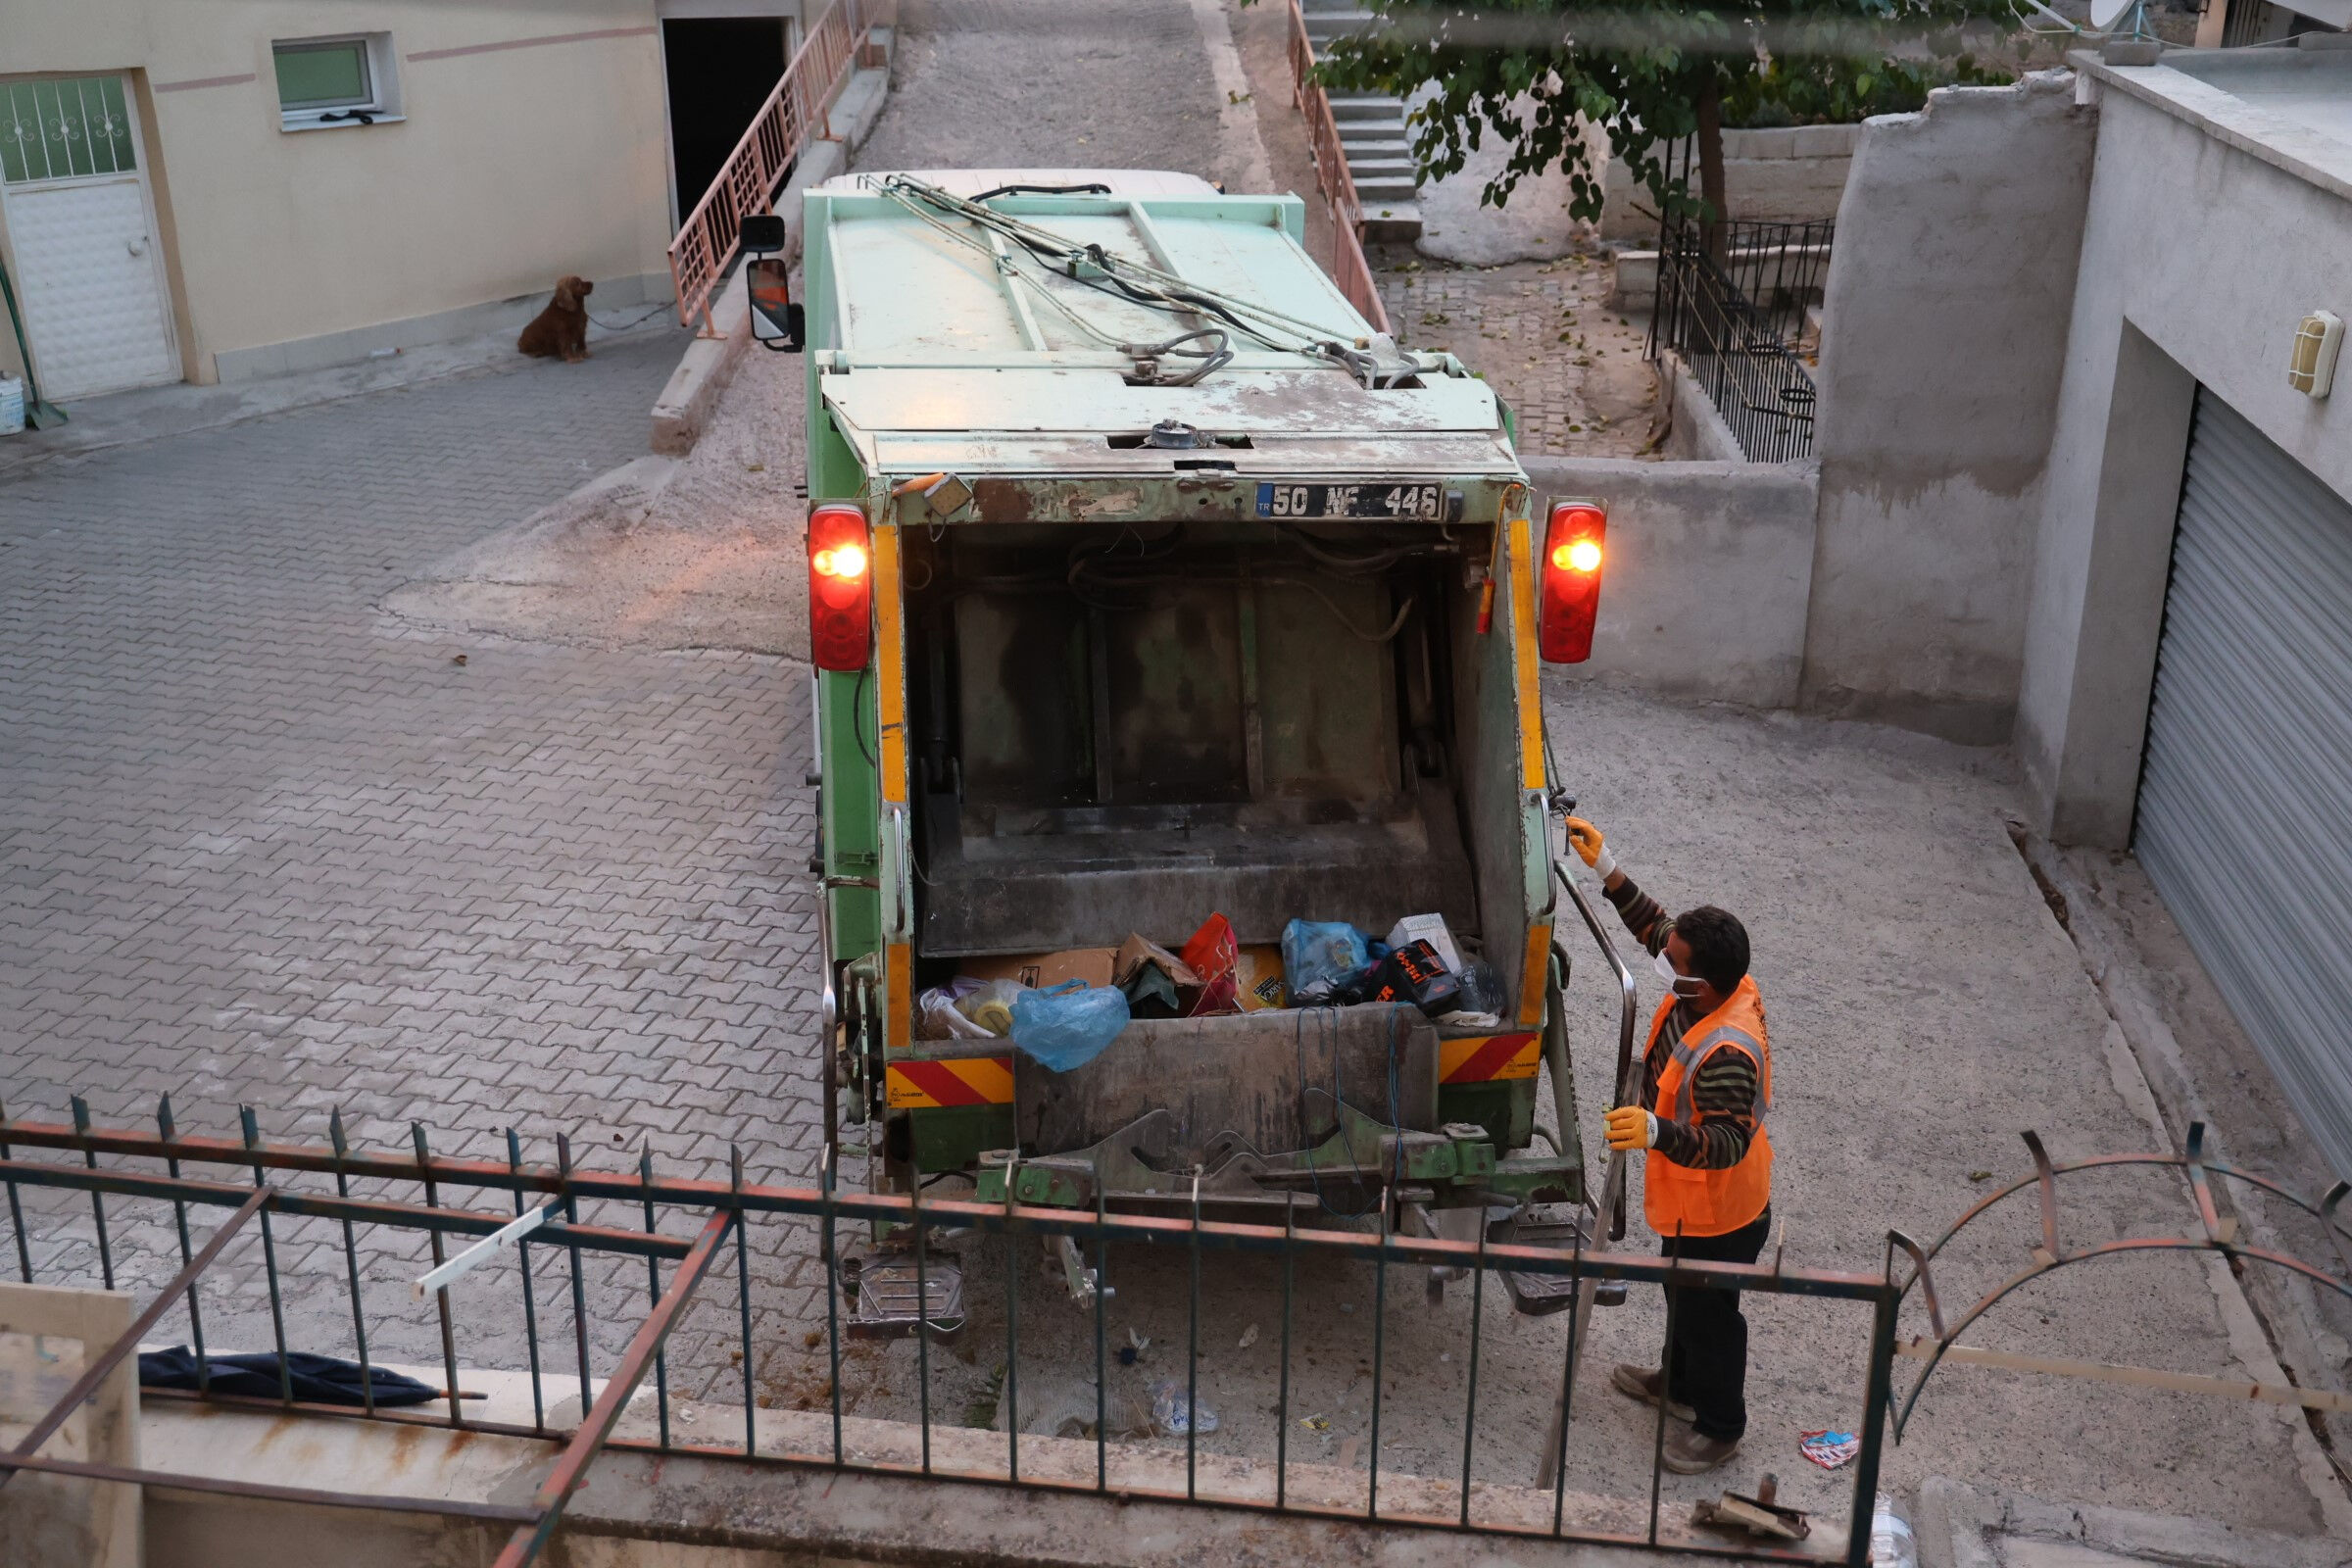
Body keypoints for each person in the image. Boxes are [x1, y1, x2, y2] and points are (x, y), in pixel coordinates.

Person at [1566, 814, 1773, 1475]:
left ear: (1701, 983)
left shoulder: (1729, 1051)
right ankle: (1678, 1387)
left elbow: (1725, 1143)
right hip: (1690, 1201)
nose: (1662, 961)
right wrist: (1608, 869)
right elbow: (1658, 929)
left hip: (1722, 1207)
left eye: (1673, 964)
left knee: (1710, 1316)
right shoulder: (1711, 981)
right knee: (1678, 1292)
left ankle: (1720, 1426)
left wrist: (1654, 1130)